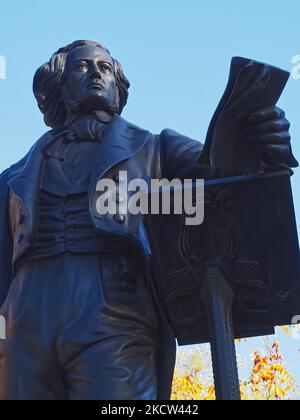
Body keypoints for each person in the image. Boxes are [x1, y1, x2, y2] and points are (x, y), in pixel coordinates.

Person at [0, 40, 296, 400]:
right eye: (81, 67)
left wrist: (260, 142)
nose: (95, 73)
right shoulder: (14, 175)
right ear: (59, 85)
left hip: (112, 308)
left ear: (117, 85)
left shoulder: (155, 148)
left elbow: (224, 173)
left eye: (105, 68)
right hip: (23, 316)